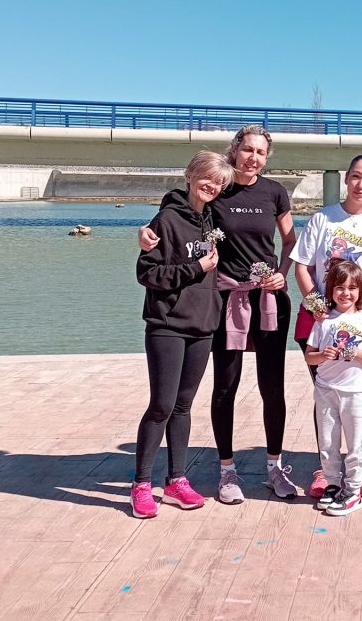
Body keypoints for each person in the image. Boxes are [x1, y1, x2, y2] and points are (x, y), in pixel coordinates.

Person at [138, 125, 298, 503]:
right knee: (225, 386)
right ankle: (226, 471)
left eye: (260, 152)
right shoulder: (218, 185)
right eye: (247, 150)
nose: (253, 158)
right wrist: (144, 231)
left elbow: (289, 240)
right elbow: (177, 208)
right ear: (234, 150)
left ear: (266, 157)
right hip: (225, 300)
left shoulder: (275, 192)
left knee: (272, 387)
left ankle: (274, 467)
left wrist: (283, 273)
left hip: (268, 299)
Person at [131, 151, 236, 518]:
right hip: (167, 326)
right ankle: (142, 484)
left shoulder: (211, 220)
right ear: (190, 175)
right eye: (208, 178)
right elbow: (147, 274)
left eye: (219, 183)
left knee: (183, 406)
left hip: (202, 325)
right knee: (161, 406)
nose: (212, 186)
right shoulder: (166, 219)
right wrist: (195, 268)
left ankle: (176, 479)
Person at [291, 154, 362, 498]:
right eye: (356, 176)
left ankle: (360, 466)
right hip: (325, 319)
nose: (361, 184)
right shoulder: (323, 218)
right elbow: (302, 268)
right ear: (346, 179)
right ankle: (327, 470)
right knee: (326, 394)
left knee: (359, 394)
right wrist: (316, 302)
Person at [304, 260, 362, 516]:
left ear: (361, 291)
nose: (345, 293)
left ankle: (352, 490)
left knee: (355, 444)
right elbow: (309, 357)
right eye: (339, 287)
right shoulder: (323, 321)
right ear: (330, 290)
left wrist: (358, 353)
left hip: (355, 392)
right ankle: (331, 484)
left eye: (352, 288)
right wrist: (323, 355)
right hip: (326, 390)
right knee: (327, 442)